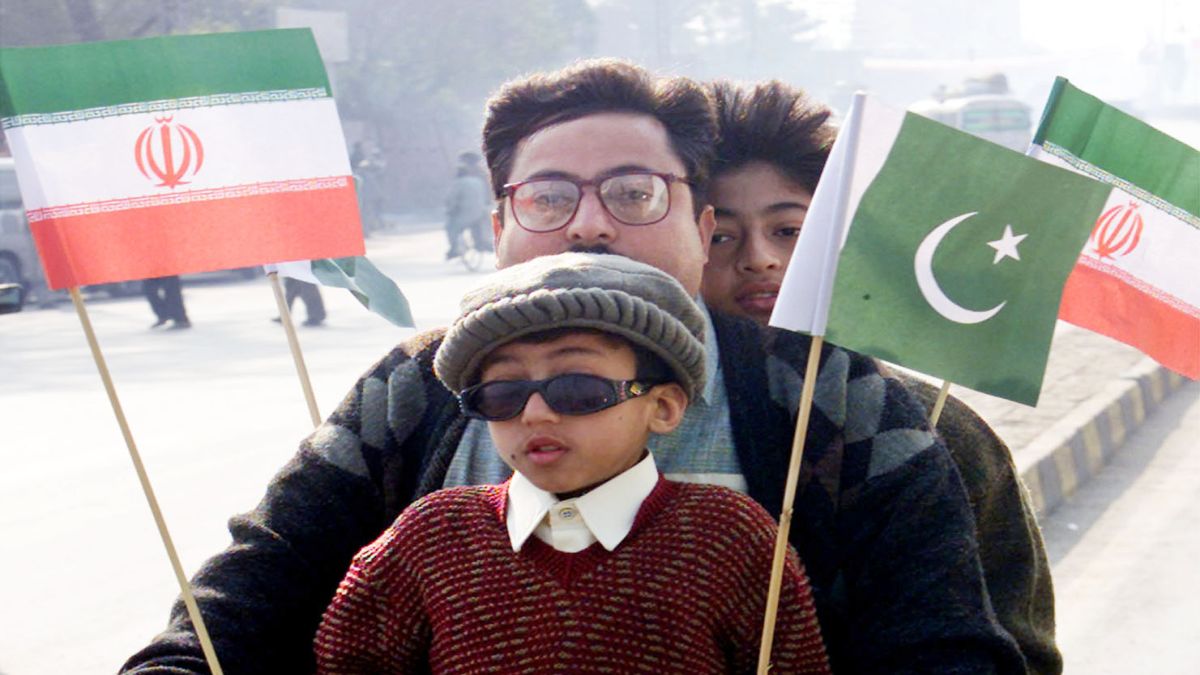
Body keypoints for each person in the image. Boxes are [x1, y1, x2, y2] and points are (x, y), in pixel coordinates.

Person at [123, 60, 1023, 673]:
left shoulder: (837, 402)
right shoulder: (415, 388)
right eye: (548, 196)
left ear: (700, 224)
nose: (590, 224)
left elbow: (941, 638)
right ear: (496, 232)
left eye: (634, 192)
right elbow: (256, 587)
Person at [313, 252, 831, 673]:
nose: (535, 412)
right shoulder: (432, 535)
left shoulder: (730, 535)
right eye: (502, 393)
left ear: (664, 406)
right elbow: (347, 659)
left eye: (578, 388)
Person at [701, 80, 1061, 673]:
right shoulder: (653, 416)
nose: (759, 257)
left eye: (788, 230)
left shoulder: (934, 430)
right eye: (722, 235)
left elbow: (1023, 641)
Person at [444, 151, 492, 259]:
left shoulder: (460, 182)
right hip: (482, 209)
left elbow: (452, 199)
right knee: (484, 224)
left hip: (465, 212)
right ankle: (484, 242)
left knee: (451, 226)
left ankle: (455, 248)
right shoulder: (481, 176)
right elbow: (488, 192)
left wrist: (450, 209)